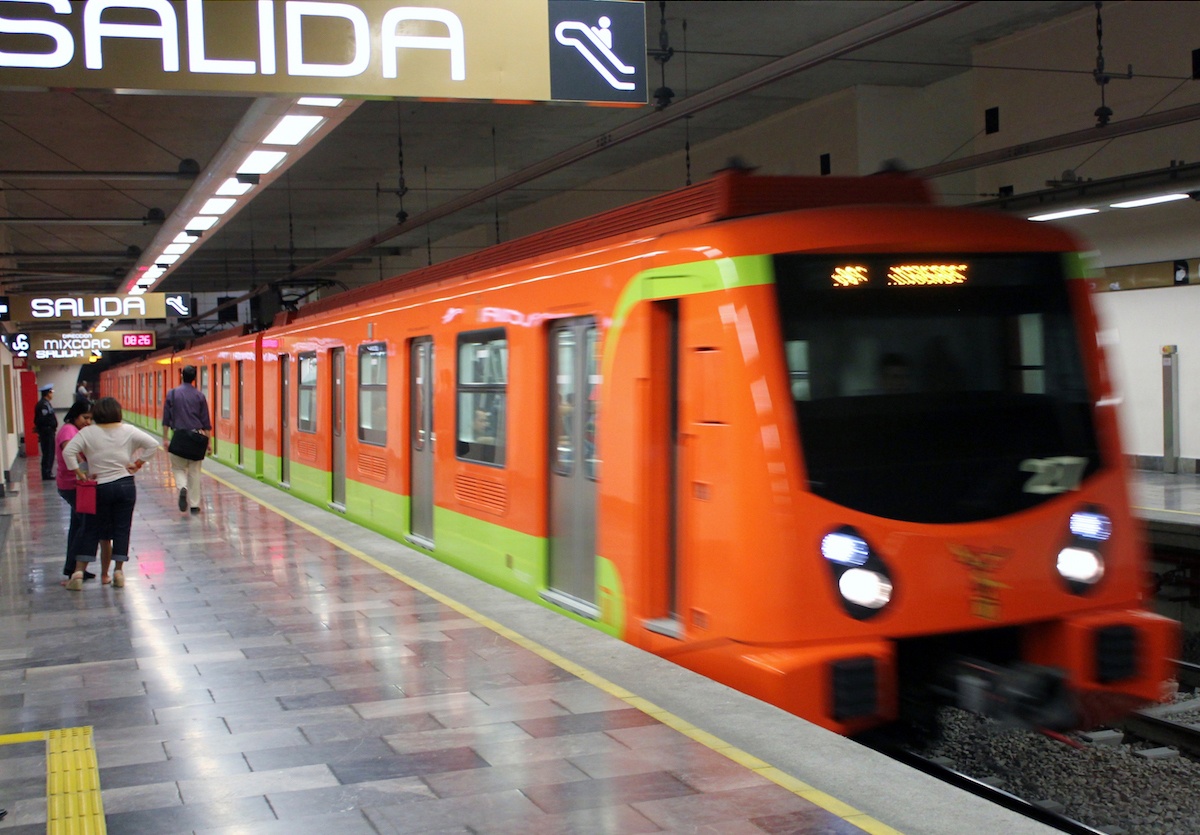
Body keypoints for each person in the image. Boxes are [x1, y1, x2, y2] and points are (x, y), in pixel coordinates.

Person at [61, 397, 158, 591]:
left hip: (99, 487)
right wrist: (138, 464)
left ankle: (78, 573)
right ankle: (118, 572)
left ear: (97, 414)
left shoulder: (88, 432)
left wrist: (79, 473)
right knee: (122, 529)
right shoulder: (128, 430)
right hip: (125, 485)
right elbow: (153, 445)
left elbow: (68, 452)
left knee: (90, 529)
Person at [55, 400, 97, 583]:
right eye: (85, 417)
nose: (88, 422)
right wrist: (83, 473)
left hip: (73, 484)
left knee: (77, 526)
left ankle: (73, 567)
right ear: (75, 415)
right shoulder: (68, 431)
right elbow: (71, 454)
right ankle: (74, 569)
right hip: (73, 485)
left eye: (90, 419)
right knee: (84, 527)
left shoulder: (73, 430)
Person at [162, 365, 211, 515]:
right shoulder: (199, 396)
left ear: (181, 376)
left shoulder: (172, 393)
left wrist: (165, 438)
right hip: (196, 437)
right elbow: (206, 422)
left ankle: (182, 487)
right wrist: (209, 443)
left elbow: (166, 419)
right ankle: (195, 505)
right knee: (195, 472)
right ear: (195, 378)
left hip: (179, 436)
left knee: (177, 467)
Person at [34, 383, 57, 480]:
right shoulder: (43, 405)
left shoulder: (46, 403)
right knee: (48, 453)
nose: (52, 394)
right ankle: (46, 473)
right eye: (51, 392)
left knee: (50, 452)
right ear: (47, 393)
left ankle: (48, 471)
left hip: (49, 431)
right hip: (46, 432)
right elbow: (42, 419)